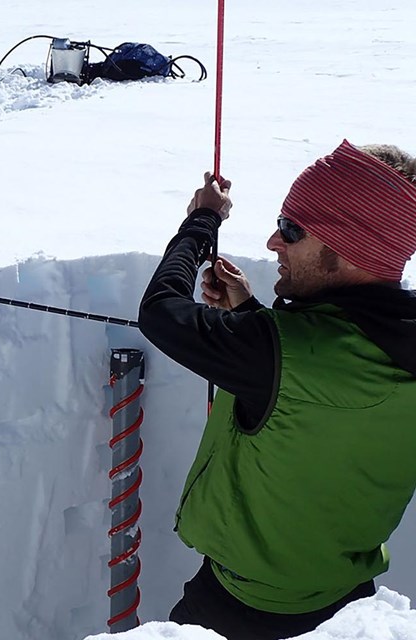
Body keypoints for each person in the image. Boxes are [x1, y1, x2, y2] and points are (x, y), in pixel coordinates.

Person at [138, 139, 416, 640]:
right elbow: (317, 403)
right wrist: (249, 320)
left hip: (238, 611)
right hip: (349, 607)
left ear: (347, 248)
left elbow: (160, 313)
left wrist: (202, 221)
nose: (272, 241)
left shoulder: (275, 355)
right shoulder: (398, 342)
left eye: (292, 230)